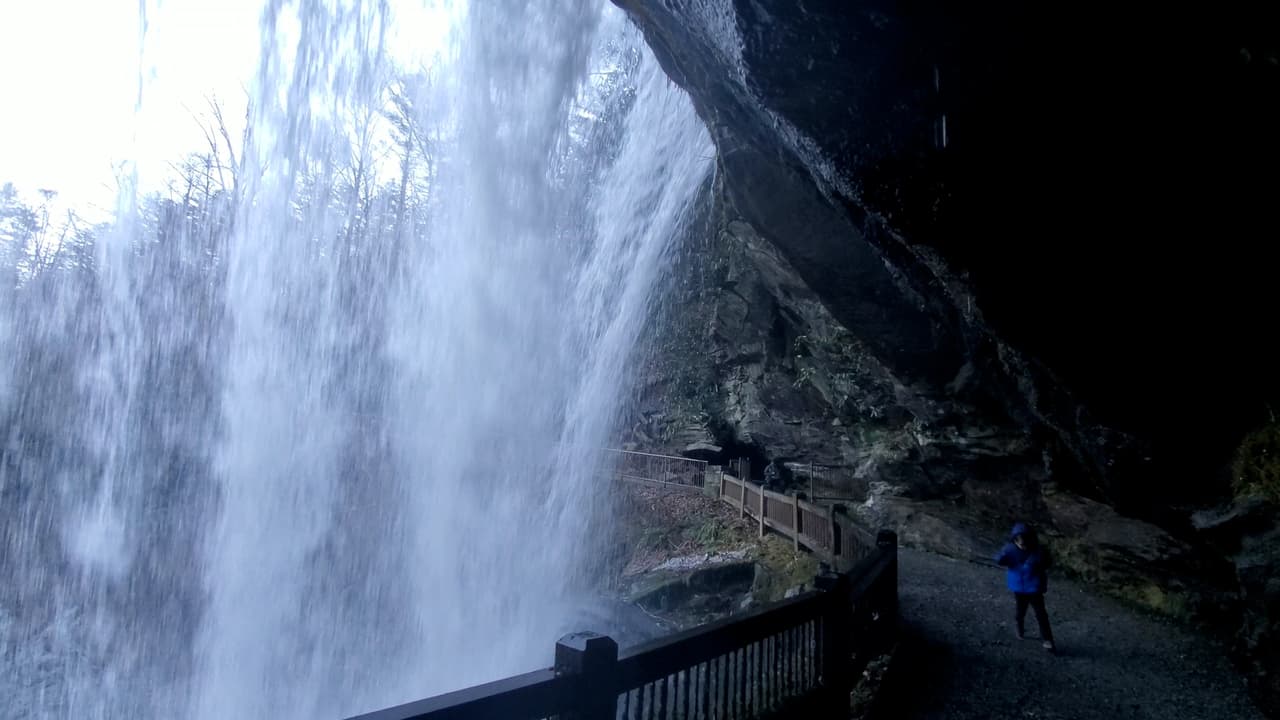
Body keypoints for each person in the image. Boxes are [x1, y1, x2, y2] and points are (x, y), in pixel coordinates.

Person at [995, 522, 1056, 652]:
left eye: (1024, 538)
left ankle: (1047, 639)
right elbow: (999, 560)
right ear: (1014, 539)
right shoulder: (1010, 549)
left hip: (1034, 588)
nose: (1021, 542)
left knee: (1041, 614)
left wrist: (1037, 566)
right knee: (1020, 612)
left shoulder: (1038, 551)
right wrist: (1003, 557)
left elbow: (1047, 564)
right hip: (1019, 589)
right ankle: (1020, 628)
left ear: (1030, 538)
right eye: (1018, 539)